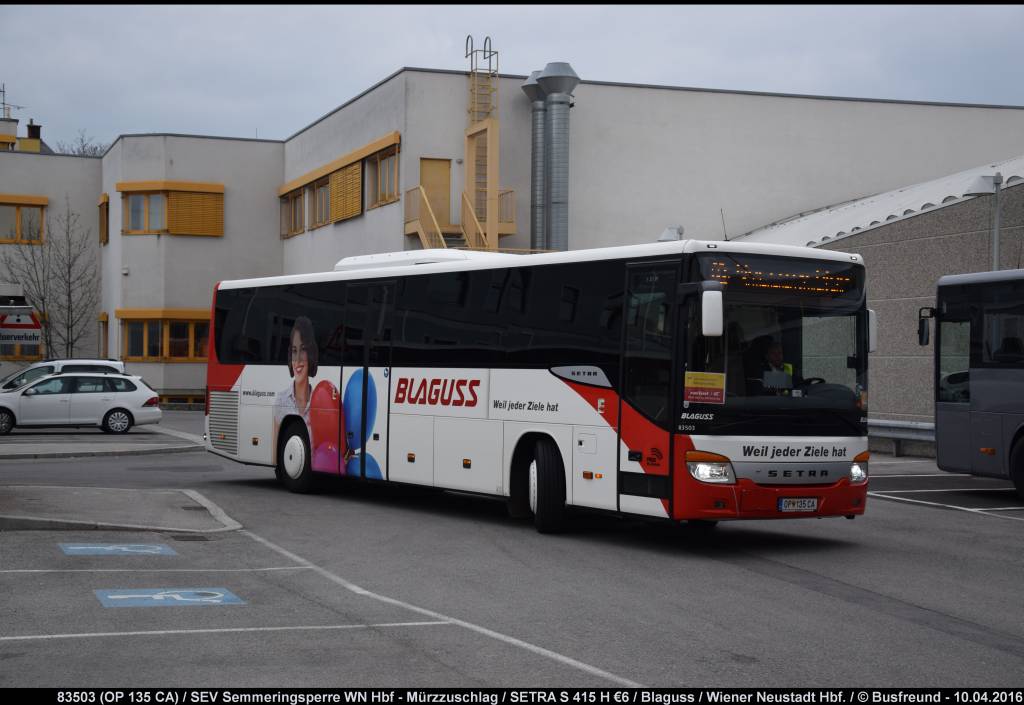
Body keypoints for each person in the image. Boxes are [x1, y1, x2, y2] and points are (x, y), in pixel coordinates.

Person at [273, 316, 318, 451]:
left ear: (310, 353)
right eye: (294, 351)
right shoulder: (281, 401)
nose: (297, 360)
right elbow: (276, 455)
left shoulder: (319, 401)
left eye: (303, 350)